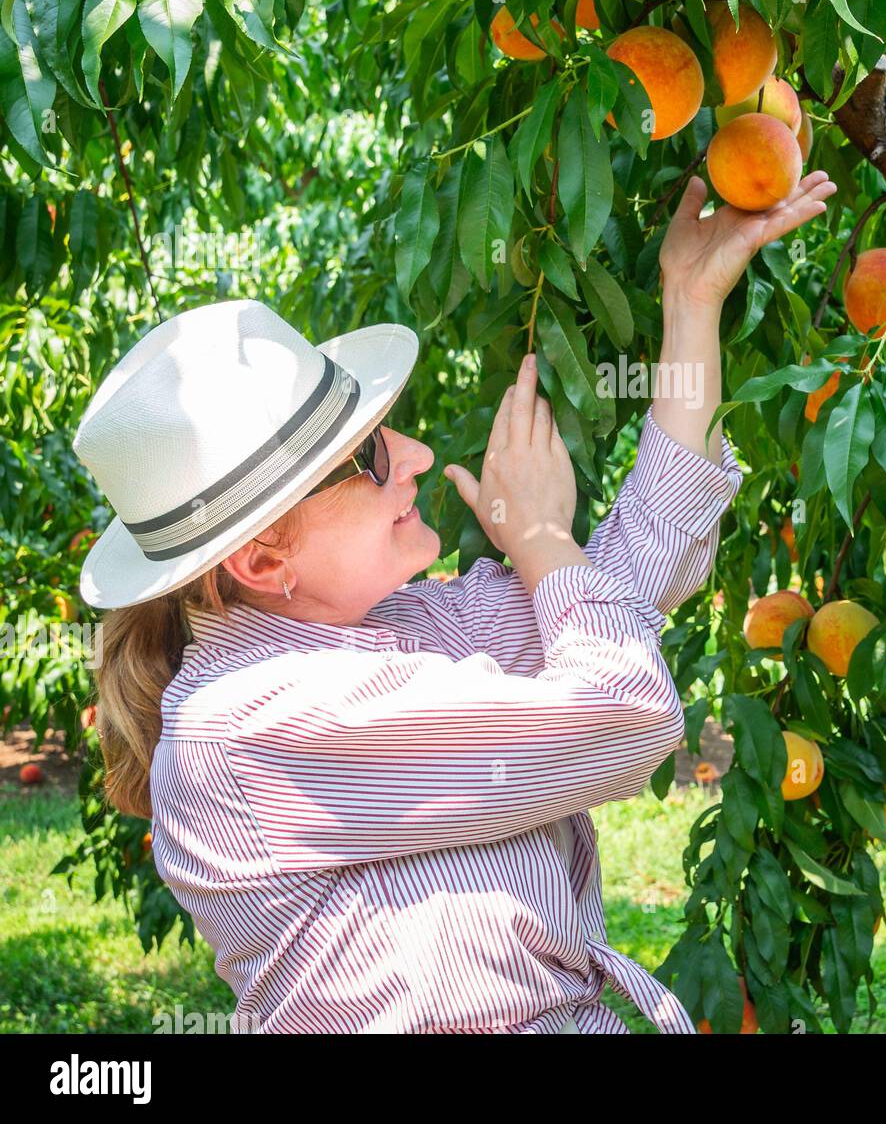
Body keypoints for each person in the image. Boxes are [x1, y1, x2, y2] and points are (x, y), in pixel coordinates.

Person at [73, 172, 834, 1033]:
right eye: (367, 456)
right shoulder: (251, 724)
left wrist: (690, 300)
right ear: (262, 557)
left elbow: (624, 579)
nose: (418, 454)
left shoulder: (402, 633)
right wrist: (541, 539)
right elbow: (625, 719)